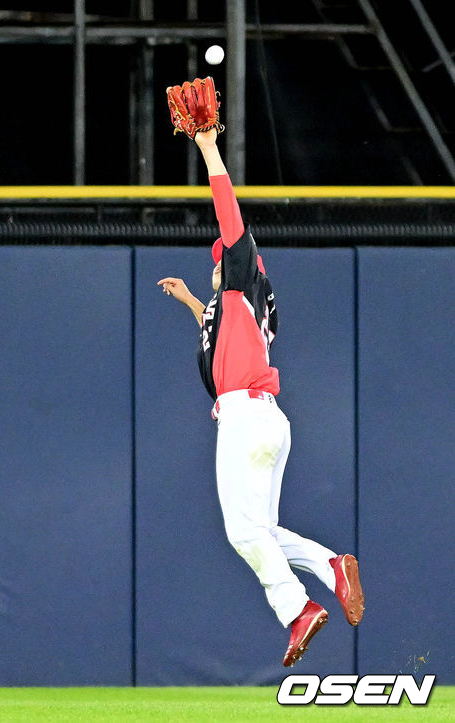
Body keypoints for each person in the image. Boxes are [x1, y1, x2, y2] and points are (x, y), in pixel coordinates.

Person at [157, 127, 364, 667]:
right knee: (263, 532)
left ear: (233, 264)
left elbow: (230, 219)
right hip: (269, 420)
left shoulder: (238, 281)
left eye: (219, 261)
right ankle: (332, 565)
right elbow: (220, 330)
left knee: (240, 532)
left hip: (246, 420)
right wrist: (188, 301)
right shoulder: (243, 309)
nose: (216, 264)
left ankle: (296, 610)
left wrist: (207, 148)